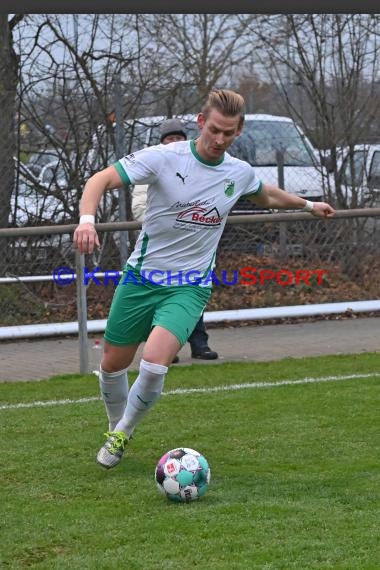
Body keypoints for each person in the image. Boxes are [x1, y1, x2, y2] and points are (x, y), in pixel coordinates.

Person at [73, 88, 335, 470]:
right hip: (142, 278)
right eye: (214, 130)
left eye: (228, 133)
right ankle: (117, 425)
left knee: (155, 360)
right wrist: (86, 221)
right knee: (113, 364)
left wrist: (309, 205)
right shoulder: (164, 158)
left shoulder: (237, 172)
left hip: (189, 285)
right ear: (201, 122)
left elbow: (267, 195)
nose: (219, 139)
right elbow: (99, 180)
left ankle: (122, 433)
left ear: (238, 131)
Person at [131, 118, 218, 363]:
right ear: (162, 142)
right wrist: (173, 215)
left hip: (193, 249)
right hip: (161, 251)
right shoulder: (152, 165)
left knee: (191, 298)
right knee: (159, 301)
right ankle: (166, 350)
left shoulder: (200, 166)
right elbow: (139, 208)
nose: (175, 143)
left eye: (178, 138)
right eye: (170, 139)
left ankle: (199, 345)